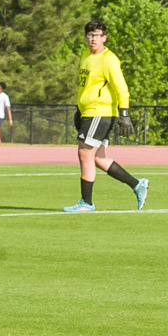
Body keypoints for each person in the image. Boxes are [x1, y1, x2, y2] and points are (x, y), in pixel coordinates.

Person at [62, 20, 148, 213]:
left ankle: (86, 203)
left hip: (99, 112)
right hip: (88, 112)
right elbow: (87, 87)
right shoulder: (86, 56)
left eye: (98, 35)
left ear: (104, 38)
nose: (94, 38)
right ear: (86, 37)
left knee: (84, 153)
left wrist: (124, 114)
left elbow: (121, 88)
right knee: (98, 158)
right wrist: (79, 109)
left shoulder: (109, 59)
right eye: (91, 35)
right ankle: (137, 184)